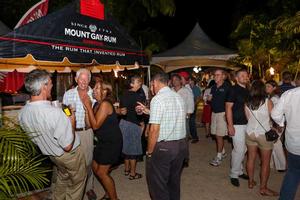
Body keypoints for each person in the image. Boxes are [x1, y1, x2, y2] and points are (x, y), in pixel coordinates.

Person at [19, 69, 87, 200]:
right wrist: (72, 121)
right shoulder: (54, 114)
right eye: (50, 83)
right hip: (69, 154)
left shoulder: (23, 112)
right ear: (44, 86)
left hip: (51, 154)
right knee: (77, 182)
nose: (52, 86)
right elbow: (67, 146)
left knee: (63, 177)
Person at [146, 72, 188, 200]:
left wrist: (149, 151)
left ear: (155, 83)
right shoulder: (177, 96)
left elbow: (154, 130)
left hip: (165, 148)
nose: (151, 88)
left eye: (151, 85)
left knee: (158, 186)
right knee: (173, 182)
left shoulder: (158, 99)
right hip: (181, 146)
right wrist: (148, 111)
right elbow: (171, 117)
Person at [81, 82, 123, 200]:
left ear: (105, 91)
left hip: (112, 142)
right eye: (94, 87)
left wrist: (88, 106)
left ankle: (114, 198)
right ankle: (108, 192)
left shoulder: (105, 104)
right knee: (95, 167)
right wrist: (86, 109)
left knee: (102, 172)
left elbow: (95, 126)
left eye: (97, 88)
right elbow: (89, 124)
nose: (93, 89)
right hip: (102, 141)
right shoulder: (96, 105)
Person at [63, 68, 96, 199]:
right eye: (81, 79)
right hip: (71, 131)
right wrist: (69, 114)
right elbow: (64, 109)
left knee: (88, 161)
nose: (83, 82)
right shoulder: (69, 93)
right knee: (74, 162)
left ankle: (89, 187)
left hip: (86, 132)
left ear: (89, 80)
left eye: (86, 79)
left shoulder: (93, 94)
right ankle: (75, 187)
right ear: (76, 79)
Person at [244, 80, 278, 196]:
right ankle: (263, 188)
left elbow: (248, 118)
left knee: (250, 158)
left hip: (250, 133)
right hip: (263, 134)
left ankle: (250, 181)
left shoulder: (247, 102)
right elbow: (274, 117)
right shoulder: (267, 101)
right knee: (265, 163)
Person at [271, 86, 300, 200]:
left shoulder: (289, 94)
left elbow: (275, 114)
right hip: (294, 141)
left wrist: (281, 123)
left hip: (294, 141)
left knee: (293, 173)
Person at [226, 68, 250, 187]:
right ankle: (234, 174)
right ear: (236, 78)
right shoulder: (233, 90)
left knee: (244, 149)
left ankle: (239, 170)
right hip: (236, 124)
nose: (245, 77)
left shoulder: (248, 90)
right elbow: (228, 108)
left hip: (248, 124)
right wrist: (230, 125)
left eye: (246, 75)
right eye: (242, 75)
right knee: (239, 150)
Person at [119, 75, 145, 180]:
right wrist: (142, 122)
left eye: (140, 81)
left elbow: (122, 109)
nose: (140, 83)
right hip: (133, 124)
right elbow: (139, 113)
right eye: (138, 82)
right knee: (133, 150)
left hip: (123, 123)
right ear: (131, 84)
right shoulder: (137, 96)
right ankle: (133, 174)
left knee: (126, 148)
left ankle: (126, 170)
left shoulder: (124, 94)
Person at [209, 69, 231, 167]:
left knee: (219, 135)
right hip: (214, 113)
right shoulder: (213, 87)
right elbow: (211, 98)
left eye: (218, 75)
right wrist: (209, 99)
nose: (215, 77)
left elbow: (230, 102)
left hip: (222, 114)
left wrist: (228, 115)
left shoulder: (227, 87)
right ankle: (223, 152)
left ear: (223, 76)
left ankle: (219, 157)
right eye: (215, 75)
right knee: (214, 133)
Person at [265, 80, 286, 172]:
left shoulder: (275, 99)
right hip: (274, 124)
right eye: (266, 86)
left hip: (277, 124)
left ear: (274, 88)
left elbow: (278, 114)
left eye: (269, 86)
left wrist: (278, 126)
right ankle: (272, 163)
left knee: (276, 144)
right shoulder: (270, 97)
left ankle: (282, 165)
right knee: (272, 143)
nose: (266, 88)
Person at [189, 77, 202, 143]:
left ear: (193, 81)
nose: (189, 81)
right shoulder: (189, 88)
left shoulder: (196, 88)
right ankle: (190, 135)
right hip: (189, 107)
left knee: (191, 122)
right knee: (189, 122)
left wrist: (193, 106)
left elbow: (198, 98)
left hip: (193, 107)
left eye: (190, 80)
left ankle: (195, 137)